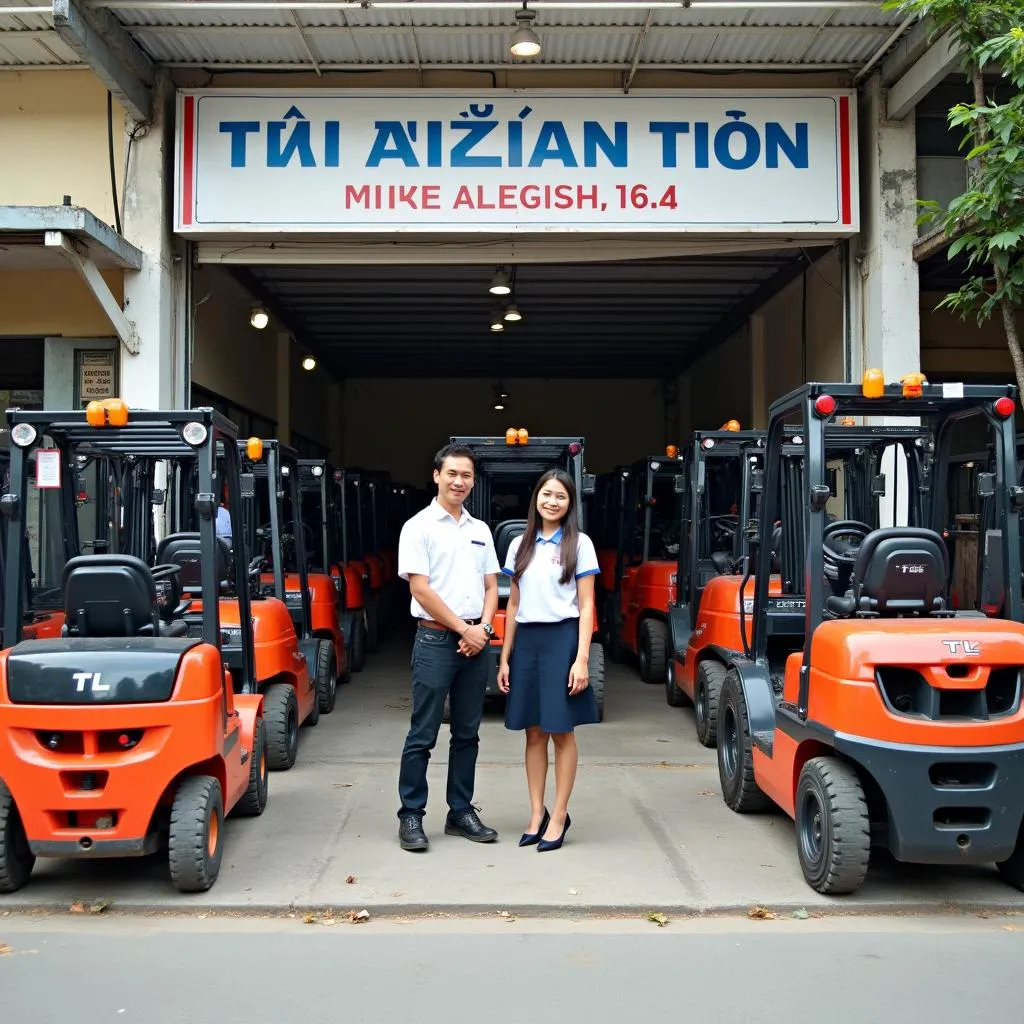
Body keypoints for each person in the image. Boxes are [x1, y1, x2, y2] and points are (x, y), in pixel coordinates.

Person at [395, 442, 501, 852]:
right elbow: (420, 588)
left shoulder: (480, 530)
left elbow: (492, 585)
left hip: (476, 641)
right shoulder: (418, 527)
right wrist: (463, 629)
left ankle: (460, 811)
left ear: (473, 482)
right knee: (423, 733)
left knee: (468, 733)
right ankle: (411, 815)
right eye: (452, 473)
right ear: (437, 475)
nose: (459, 481)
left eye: (467, 476)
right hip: (437, 639)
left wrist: (485, 629)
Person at [497, 469, 600, 852]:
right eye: (546, 494)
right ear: (536, 498)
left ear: (570, 504)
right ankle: (536, 813)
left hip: (563, 640)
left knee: (562, 730)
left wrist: (582, 659)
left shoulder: (580, 544)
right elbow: (514, 604)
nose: (552, 502)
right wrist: (505, 657)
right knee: (534, 731)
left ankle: (559, 815)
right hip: (527, 642)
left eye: (560, 496)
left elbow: (587, 605)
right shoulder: (519, 545)